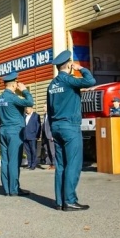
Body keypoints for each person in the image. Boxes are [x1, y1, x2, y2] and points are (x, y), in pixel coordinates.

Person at [47, 50, 96, 211]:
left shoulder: (52, 85)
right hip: (70, 127)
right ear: (68, 65)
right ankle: (69, 200)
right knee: (73, 164)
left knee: (61, 164)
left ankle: (60, 201)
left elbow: (50, 109)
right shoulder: (69, 80)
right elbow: (90, 81)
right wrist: (80, 68)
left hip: (56, 127)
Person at [0, 71, 34, 196]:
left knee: (5, 160)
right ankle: (14, 189)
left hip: (3, 130)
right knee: (14, 160)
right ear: (13, 85)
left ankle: (6, 188)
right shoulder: (12, 97)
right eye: (17, 83)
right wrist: (24, 90)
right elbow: (29, 102)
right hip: (14, 132)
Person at [39, 105, 55, 169]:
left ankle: (54, 164)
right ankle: (51, 163)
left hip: (50, 135)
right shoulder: (45, 115)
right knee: (47, 150)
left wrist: (53, 135)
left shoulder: (51, 115)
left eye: (44, 107)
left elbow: (52, 126)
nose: (43, 108)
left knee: (52, 150)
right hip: (45, 136)